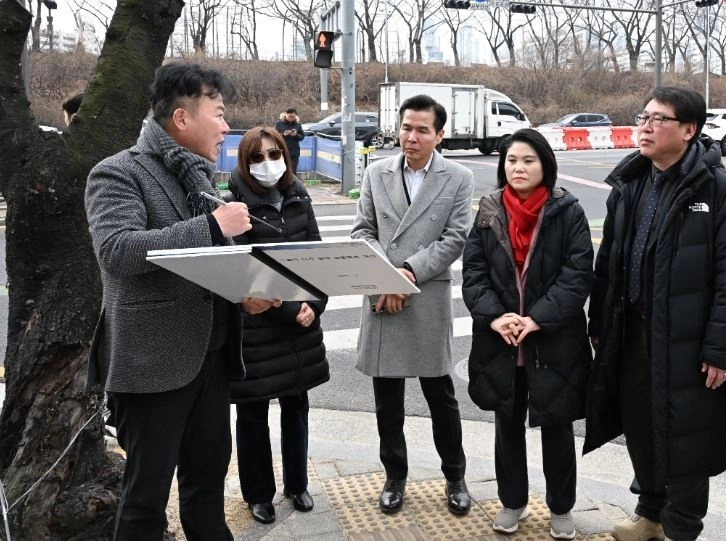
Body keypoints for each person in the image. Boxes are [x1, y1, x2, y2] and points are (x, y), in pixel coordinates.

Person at [85, 62, 281, 540]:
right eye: (218, 113)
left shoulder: (197, 177)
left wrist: (244, 296)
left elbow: (205, 268)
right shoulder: (117, 172)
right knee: (146, 500)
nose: (226, 126)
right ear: (181, 118)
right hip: (151, 366)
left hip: (210, 361)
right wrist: (214, 226)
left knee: (207, 487)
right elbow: (119, 250)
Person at [583, 86, 726, 541]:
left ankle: (682, 528)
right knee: (640, 426)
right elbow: (610, 262)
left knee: (686, 438)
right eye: (643, 116)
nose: (645, 125)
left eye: (658, 119)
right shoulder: (630, 183)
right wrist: (600, 324)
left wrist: (722, 350)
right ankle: (650, 513)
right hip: (633, 332)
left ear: (688, 130)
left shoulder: (721, 191)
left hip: (689, 342)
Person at [462, 129, 593, 540]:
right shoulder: (488, 210)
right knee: (507, 425)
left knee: (556, 426)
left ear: (545, 166)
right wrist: (496, 316)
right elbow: (473, 273)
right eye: (511, 160)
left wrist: (536, 318)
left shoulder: (566, 211)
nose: (517, 168)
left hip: (551, 339)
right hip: (501, 340)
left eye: (528, 161)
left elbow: (577, 274)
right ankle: (512, 501)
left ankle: (561, 507)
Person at [350, 94, 474, 517]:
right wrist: (386, 275)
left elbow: (455, 238)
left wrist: (408, 272)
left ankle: (455, 476)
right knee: (388, 401)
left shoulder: (457, 176)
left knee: (441, 396)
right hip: (382, 293)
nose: (412, 137)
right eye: (406, 127)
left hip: (425, 294)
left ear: (440, 134)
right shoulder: (376, 172)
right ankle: (394, 476)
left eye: (422, 129)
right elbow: (361, 230)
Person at [227, 126, 331, 525]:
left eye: (275, 155)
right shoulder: (234, 203)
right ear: (244, 161)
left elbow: (321, 257)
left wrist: (316, 306)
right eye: (258, 157)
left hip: (301, 326)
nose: (267, 164)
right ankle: (258, 493)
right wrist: (291, 310)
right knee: (252, 414)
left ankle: (297, 483)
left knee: (297, 407)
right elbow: (244, 272)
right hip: (258, 328)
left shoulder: (299, 197)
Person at [274, 107, 305, 172]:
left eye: (293, 117)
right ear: (285, 114)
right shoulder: (278, 123)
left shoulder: (297, 125)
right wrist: (283, 135)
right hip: (282, 151)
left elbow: (302, 137)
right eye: (290, 116)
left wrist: (296, 135)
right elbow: (274, 136)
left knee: (293, 171)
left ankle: (292, 182)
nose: (292, 118)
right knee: (282, 171)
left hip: (294, 152)